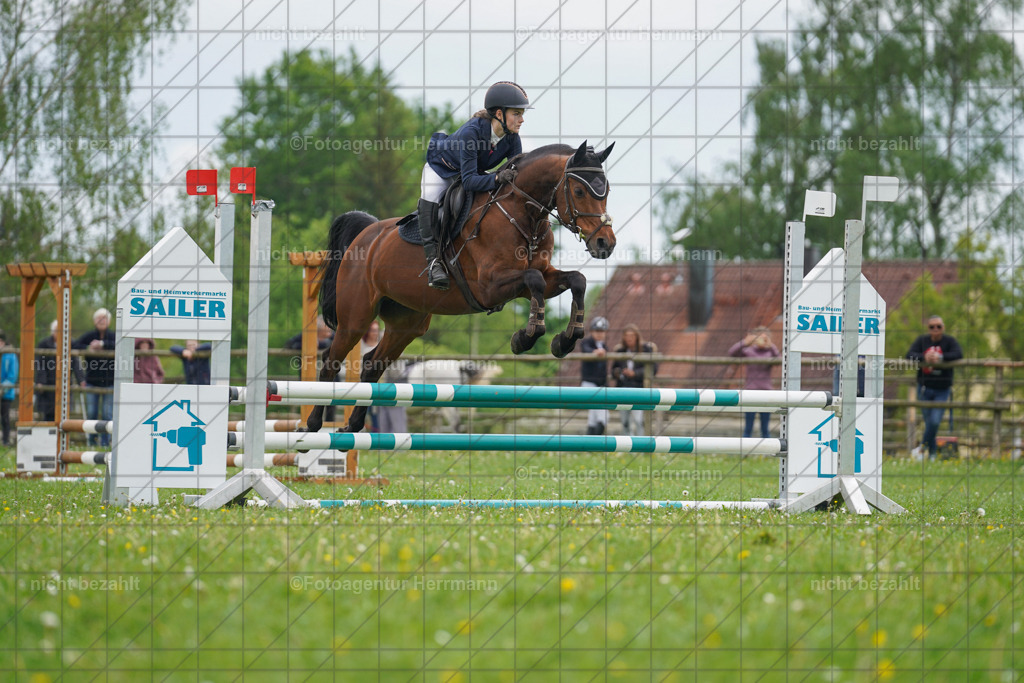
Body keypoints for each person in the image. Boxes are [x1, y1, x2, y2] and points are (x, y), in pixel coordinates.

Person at [420, 81, 530, 290]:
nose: (522, 119)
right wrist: (497, 178)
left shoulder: (511, 137)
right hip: (442, 169)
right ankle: (433, 263)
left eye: (521, 114)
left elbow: (517, 174)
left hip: (472, 171)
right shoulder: (472, 133)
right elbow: (470, 181)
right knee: (431, 197)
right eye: (516, 113)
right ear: (499, 113)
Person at [906, 315, 963, 459]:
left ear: (943, 327)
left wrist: (940, 358)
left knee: (935, 421)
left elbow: (958, 354)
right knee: (929, 423)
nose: (936, 329)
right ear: (928, 328)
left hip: (942, 389)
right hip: (924, 387)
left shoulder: (950, 341)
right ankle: (932, 455)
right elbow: (909, 355)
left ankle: (921, 449)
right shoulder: (922, 341)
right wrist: (925, 357)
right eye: (932, 327)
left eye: (939, 326)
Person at [728, 327, 780, 439]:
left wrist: (771, 345)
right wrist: (745, 342)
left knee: (765, 427)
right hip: (750, 391)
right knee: (748, 426)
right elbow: (732, 353)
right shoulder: (749, 351)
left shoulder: (770, 351)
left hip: (766, 392)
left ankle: (766, 451)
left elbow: (779, 359)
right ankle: (746, 451)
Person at [73, 308, 115, 447]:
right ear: (94, 321)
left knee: (107, 414)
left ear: (109, 321)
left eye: (104, 318)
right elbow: (75, 345)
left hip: (110, 382)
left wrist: (102, 345)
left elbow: (121, 345)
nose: (101, 321)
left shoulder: (113, 336)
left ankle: (105, 441)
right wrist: (88, 348)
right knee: (91, 413)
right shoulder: (89, 336)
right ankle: (92, 441)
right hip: (92, 381)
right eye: (99, 318)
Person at [286, 316, 336, 422]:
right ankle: (307, 420)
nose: (330, 329)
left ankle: (329, 423)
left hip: (330, 375)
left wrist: (319, 344)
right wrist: (310, 345)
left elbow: (334, 344)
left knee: (331, 402)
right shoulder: (306, 336)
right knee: (309, 399)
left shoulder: (333, 338)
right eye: (327, 327)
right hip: (309, 375)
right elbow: (290, 344)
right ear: (318, 328)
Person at [611, 324, 658, 436]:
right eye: (626, 335)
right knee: (625, 421)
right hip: (623, 389)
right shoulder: (620, 351)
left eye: (632, 335)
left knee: (639, 420)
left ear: (637, 336)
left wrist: (634, 374)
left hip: (639, 389)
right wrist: (619, 372)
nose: (629, 338)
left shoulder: (646, 349)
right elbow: (613, 370)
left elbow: (653, 369)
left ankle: (641, 445)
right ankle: (627, 444)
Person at [579, 316, 610, 435]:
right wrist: (595, 353)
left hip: (600, 384)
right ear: (592, 331)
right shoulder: (587, 342)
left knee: (594, 415)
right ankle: (594, 442)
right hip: (589, 382)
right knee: (602, 414)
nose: (599, 334)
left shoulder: (605, 346)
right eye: (597, 331)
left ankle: (590, 443)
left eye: (602, 331)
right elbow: (585, 349)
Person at [34, 320, 58, 422]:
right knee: (48, 415)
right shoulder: (43, 343)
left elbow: (75, 362)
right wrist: (41, 381)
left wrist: (81, 380)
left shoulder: (71, 343)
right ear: (53, 332)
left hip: (63, 383)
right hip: (47, 383)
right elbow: (40, 364)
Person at [1, 330, 18, 446]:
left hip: (6, 393)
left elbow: (12, 375)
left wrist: (2, 389)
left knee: (5, 417)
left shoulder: (10, 355)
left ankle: (6, 440)